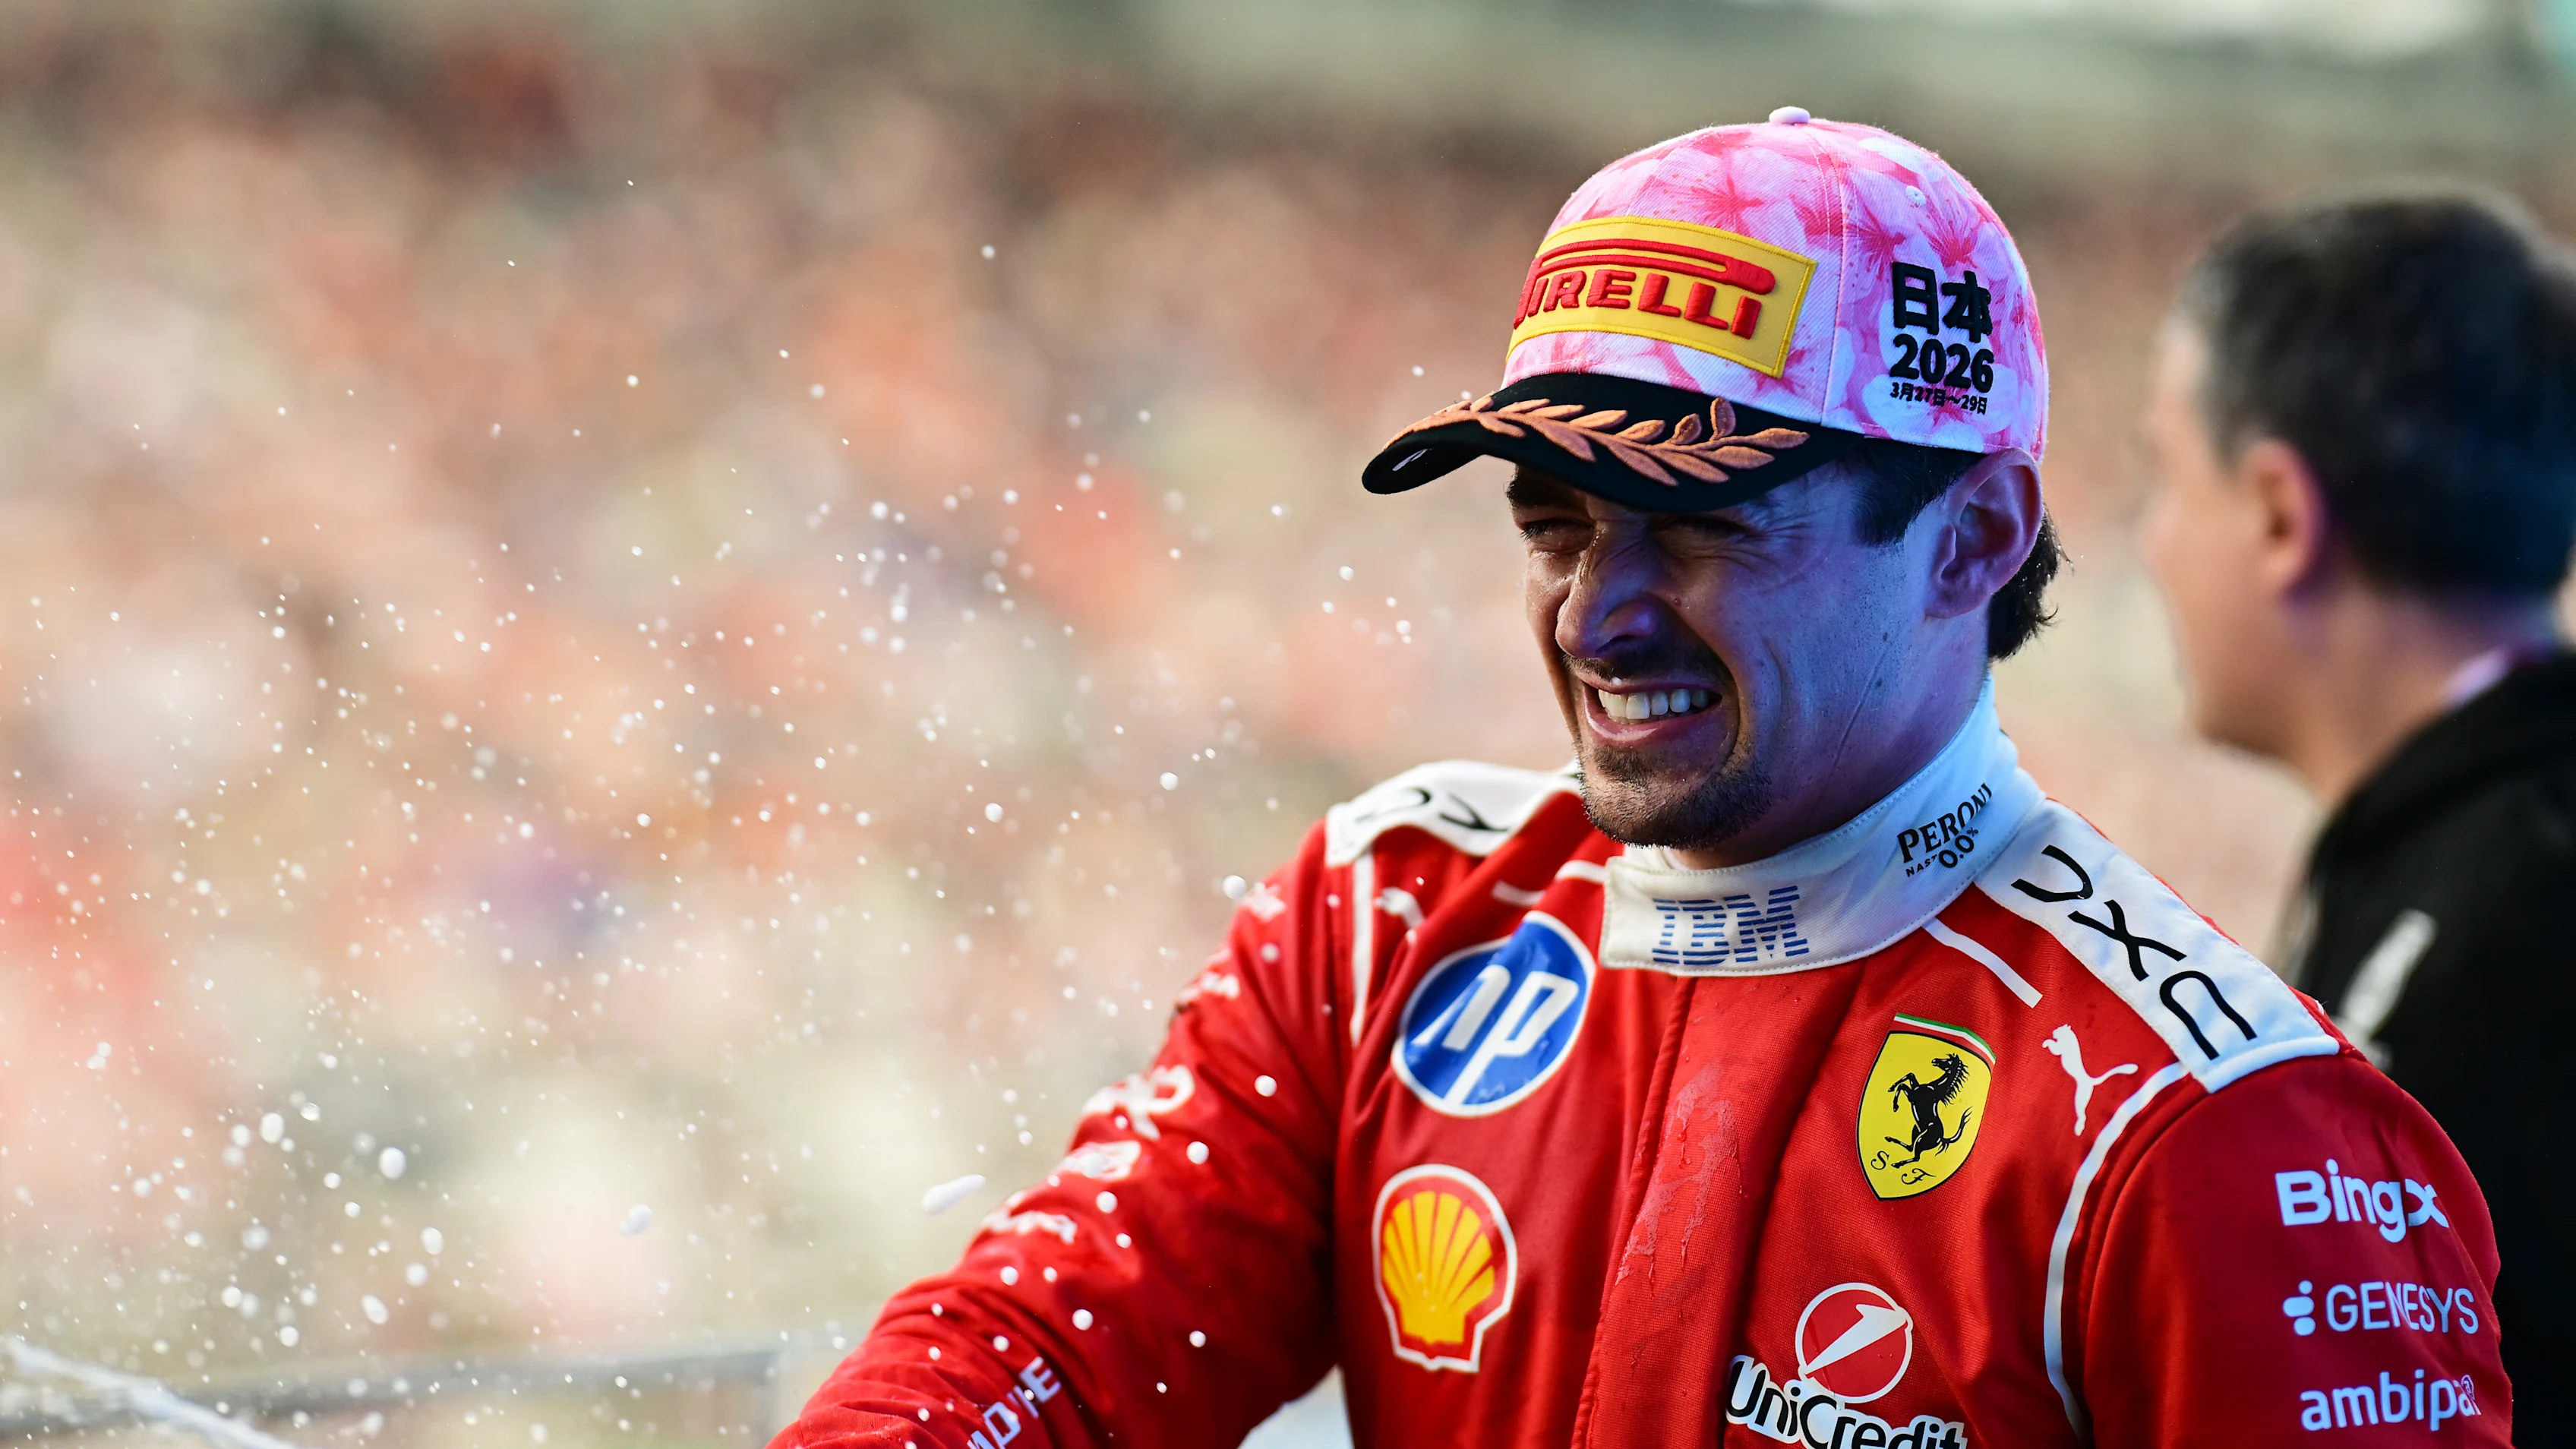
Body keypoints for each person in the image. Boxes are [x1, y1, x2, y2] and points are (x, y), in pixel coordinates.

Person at [775, 115, 2511, 1448]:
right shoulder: (1382, 917)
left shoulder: (2215, 1129)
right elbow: (1042, 1349)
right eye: (1553, 521)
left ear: (1971, 537)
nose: (1596, 611)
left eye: (1693, 524)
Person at [2141, 186, 2576, 1441]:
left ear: (2281, 514)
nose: (2155, 542)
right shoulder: (2470, 838)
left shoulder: (2523, 924)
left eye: (2167, 475)